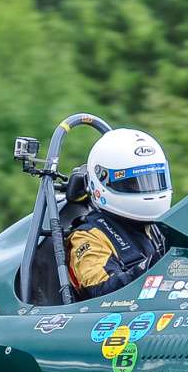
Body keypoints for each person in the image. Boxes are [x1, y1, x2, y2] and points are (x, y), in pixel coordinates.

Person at [65, 128, 171, 300]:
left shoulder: (158, 227)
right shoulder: (87, 237)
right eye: (134, 183)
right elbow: (100, 291)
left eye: (154, 179)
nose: (148, 189)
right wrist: (154, 264)